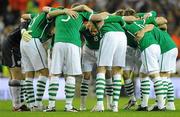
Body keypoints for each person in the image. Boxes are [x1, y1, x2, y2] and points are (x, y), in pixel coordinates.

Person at [44, 4, 108, 112]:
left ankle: (51, 106)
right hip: (73, 44)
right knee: (71, 75)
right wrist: (85, 8)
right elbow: (101, 17)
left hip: (58, 43)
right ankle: (68, 106)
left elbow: (47, 11)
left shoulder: (58, 12)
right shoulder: (82, 14)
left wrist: (64, 11)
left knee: (54, 74)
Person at [20, 7, 54, 111]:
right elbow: (49, 15)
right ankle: (37, 104)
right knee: (44, 72)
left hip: (24, 41)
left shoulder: (36, 15)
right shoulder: (47, 15)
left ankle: (31, 105)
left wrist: (23, 29)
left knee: (29, 73)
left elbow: (23, 16)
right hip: (34, 40)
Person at [79, 22, 113, 111]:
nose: (93, 33)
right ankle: (82, 105)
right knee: (86, 76)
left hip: (101, 51)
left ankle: (109, 104)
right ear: (88, 26)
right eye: (91, 31)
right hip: (88, 51)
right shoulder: (83, 28)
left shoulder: (104, 28)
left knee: (108, 74)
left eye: (95, 32)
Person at [1, 19, 30, 111]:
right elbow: (23, 23)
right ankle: (17, 106)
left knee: (19, 76)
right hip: (11, 46)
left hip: (13, 46)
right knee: (16, 75)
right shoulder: (27, 23)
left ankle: (19, 104)